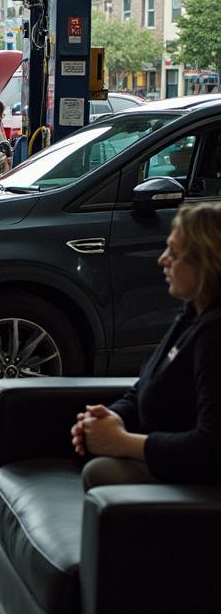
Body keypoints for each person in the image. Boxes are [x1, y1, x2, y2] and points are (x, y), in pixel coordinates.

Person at [71, 202, 221, 490]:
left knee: (100, 472)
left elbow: (211, 447)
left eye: (174, 253)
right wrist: (112, 417)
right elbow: (145, 386)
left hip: (192, 475)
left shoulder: (214, 335)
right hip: (163, 451)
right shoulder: (191, 317)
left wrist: (123, 443)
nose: (162, 260)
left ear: (208, 264)